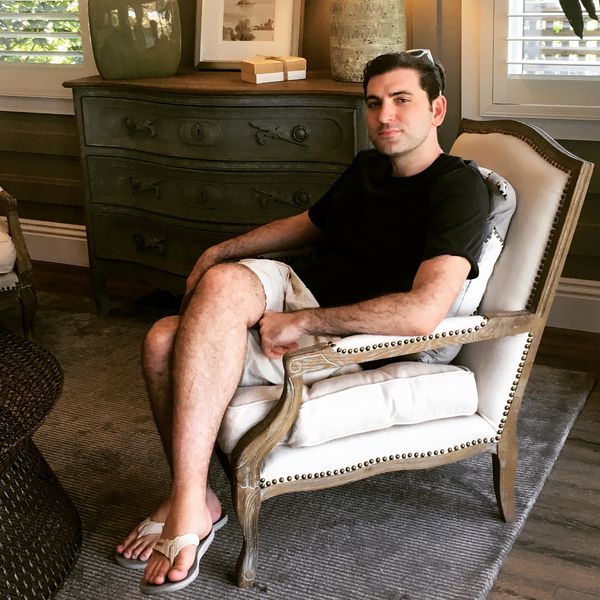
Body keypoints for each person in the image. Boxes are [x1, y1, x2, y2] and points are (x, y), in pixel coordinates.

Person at [115, 50, 489, 594]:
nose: (385, 115)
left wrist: (306, 322)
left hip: (344, 333)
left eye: (401, 100)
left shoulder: (458, 188)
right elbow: (310, 223)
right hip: (299, 291)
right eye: (374, 103)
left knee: (161, 342)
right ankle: (193, 498)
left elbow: (423, 310)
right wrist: (224, 248)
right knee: (220, 280)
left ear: (437, 109)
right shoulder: (369, 168)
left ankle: (189, 505)